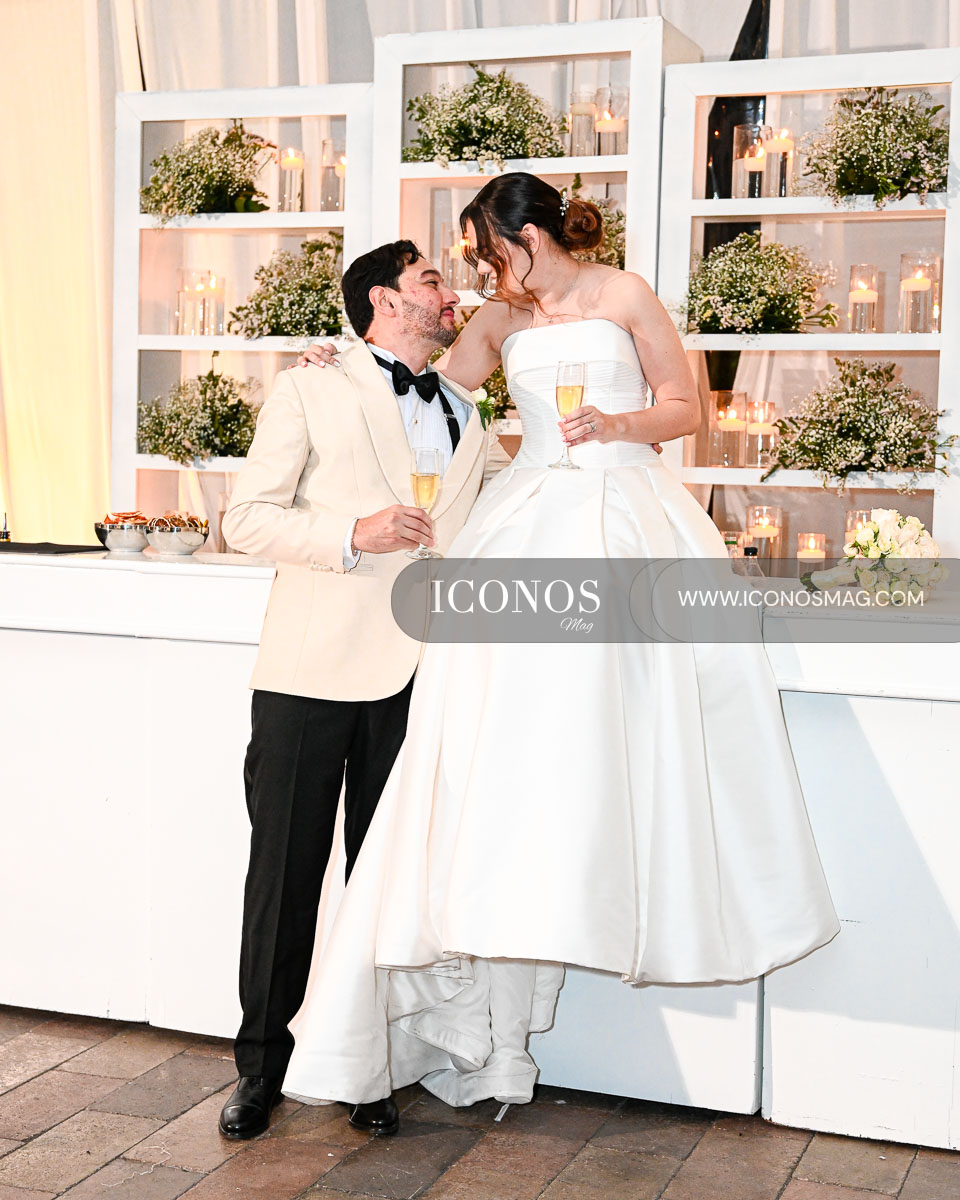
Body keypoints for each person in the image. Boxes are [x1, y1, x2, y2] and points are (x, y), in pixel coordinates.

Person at [282, 172, 840, 1129]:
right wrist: (336, 362)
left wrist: (619, 425)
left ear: (528, 233)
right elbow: (423, 386)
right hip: (528, 517)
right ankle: (499, 991)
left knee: (622, 728)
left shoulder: (623, 293)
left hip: (625, 513)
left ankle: (620, 900)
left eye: (485, 248)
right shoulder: (498, 320)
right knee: (506, 742)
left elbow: (686, 407)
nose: (478, 268)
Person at [216, 241, 489, 1140]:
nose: (447, 293)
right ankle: (260, 1068)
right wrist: (350, 534)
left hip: (421, 678)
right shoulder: (311, 385)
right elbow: (246, 519)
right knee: (285, 876)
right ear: (384, 301)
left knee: (382, 887)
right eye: (430, 280)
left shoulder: (466, 411)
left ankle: (361, 1065)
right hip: (310, 671)